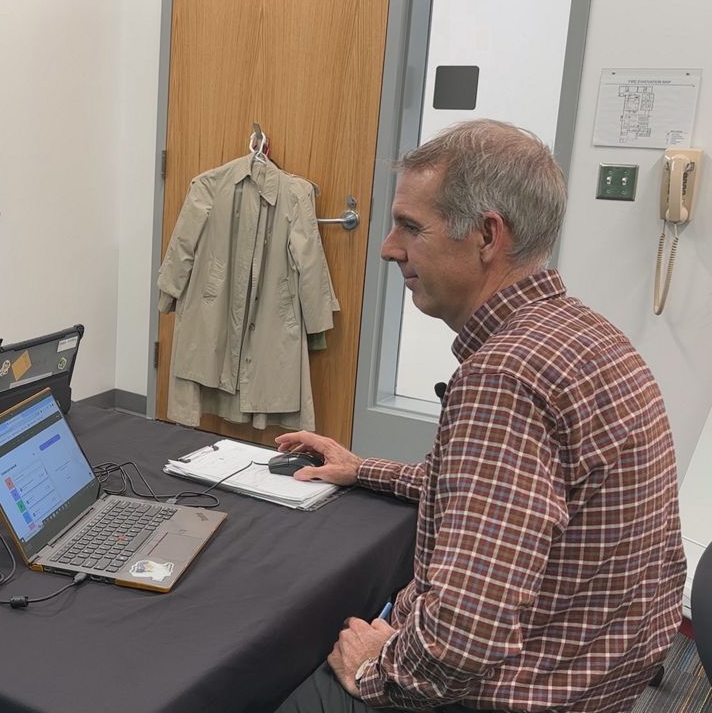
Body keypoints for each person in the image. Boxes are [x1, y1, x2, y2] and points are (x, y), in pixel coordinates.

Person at [275, 120, 684, 712]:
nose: (390, 248)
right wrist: (362, 469)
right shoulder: (585, 335)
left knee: (285, 681)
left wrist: (373, 670)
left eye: (411, 227)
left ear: (488, 236)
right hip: (605, 674)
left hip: (525, 694)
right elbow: (505, 496)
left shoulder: (504, 376)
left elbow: (463, 638)